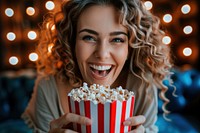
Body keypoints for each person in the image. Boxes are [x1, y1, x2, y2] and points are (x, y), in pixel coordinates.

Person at [22, 0, 173, 132]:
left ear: (131, 46)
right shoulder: (48, 89)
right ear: (71, 43)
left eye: (117, 39)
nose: (102, 53)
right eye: (89, 37)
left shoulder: (143, 86)